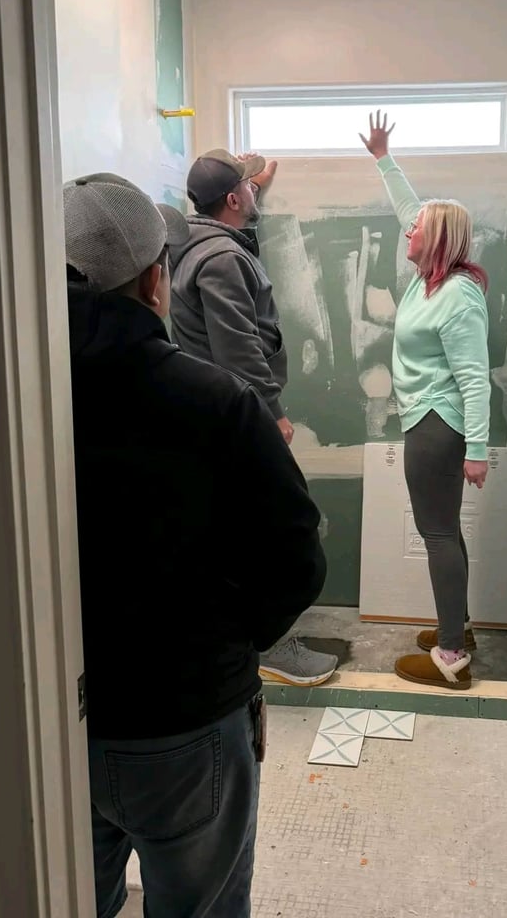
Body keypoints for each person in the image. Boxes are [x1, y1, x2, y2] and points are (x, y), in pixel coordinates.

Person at [64, 173, 326, 918]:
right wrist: (232, 641)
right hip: (190, 720)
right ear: (157, 280)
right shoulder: (215, 403)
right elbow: (297, 559)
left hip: (54, 721)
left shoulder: (18, 402)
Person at [169, 148, 338, 688]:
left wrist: (256, 178)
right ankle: (271, 645)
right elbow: (237, 345)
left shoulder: (194, 239)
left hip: (214, 415)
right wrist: (272, 412)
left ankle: (253, 637)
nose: (252, 190)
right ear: (233, 199)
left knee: (238, 528)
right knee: (267, 531)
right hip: (237, 416)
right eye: (246, 187)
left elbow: (237, 199)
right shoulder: (222, 259)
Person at [360, 112, 491, 691]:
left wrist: (477, 449)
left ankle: (451, 657)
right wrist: (384, 158)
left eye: (416, 230)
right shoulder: (427, 278)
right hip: (428, 419)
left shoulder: (457, 296)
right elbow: (408, 209)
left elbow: (476, 377)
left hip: (440, 424)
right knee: (445, 530)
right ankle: (458, 627)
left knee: (436, 533)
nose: (407, 231)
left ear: (434, 241)